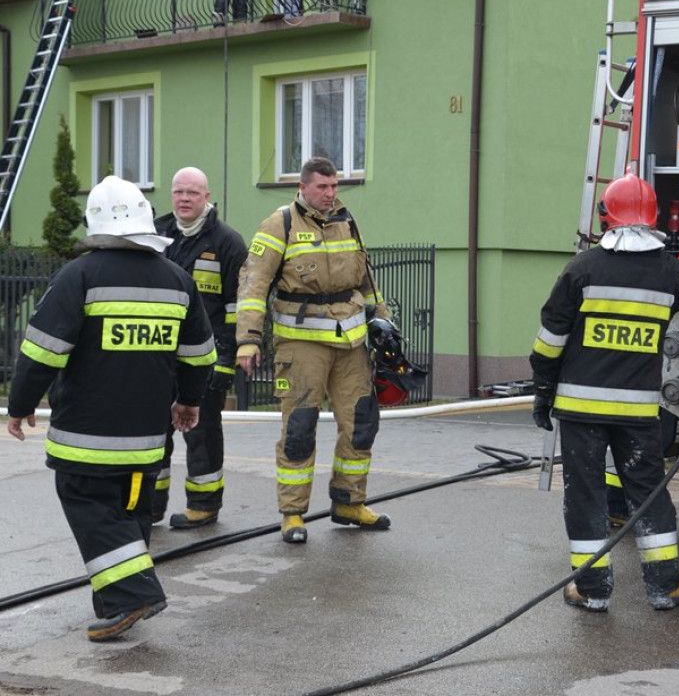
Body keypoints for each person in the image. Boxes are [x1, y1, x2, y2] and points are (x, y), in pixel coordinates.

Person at [529, 171, 679, 613]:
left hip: (580, 412)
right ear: (653, 219)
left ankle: (592, 590)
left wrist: (543, 391)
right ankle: (665, 586)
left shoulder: (581, 269)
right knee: (648, 495)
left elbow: (550, 340)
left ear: (606, 218)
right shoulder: (669, 272)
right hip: (638, 414)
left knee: (585, 496)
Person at [6, 176, 215, 642]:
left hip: (86, 438)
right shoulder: (177, 279)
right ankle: (115, 602)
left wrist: (19, 405)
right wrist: (189, 400)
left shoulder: (79, 276)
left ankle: (132, 595)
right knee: (130, 513)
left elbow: (41, 352)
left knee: (91, 507)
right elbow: (200, 356)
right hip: (148, 439)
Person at [235, 156, 391, 544]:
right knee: (300, 428)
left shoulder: (346, 221)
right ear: (303, 187)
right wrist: (248, 339)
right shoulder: (280, 223)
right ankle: (292, 514)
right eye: (323, 186)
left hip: (351, 343)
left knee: (361, 423)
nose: (330, 193)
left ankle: (349, 502)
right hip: (301, 345)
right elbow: (254, 283)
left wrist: (383, 321)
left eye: (334, 186)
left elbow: (366, 280)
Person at [151, 167, 248, 529]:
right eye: (178, 192)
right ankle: (149, 505)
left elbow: (239, 308)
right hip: (158, 355)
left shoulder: (227, 242)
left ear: (206, 196)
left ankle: (204, 505)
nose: (184, 199)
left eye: (192, 192)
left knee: (201, 433)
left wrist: (225, 360)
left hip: (204, 358)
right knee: (153, 432)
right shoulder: (156, 234)